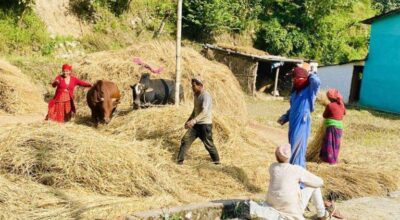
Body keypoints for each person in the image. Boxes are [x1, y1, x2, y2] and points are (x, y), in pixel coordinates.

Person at [266, 144, 344, 220]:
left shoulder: (273, 167)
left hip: (273, 205)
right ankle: (322, 214)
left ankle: (322, 213)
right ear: (289, 156)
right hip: (291, 210)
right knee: (315, 186)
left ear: (276, 156)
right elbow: (319, 182)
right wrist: (306, 181)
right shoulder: (296, 170)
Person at [277, 66, 320, 169]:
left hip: (302, 122)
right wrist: (285, 117)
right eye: (293, 78)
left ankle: (299, 180)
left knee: (298, 150)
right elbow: (292, 108)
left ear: (303, 78)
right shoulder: (295, 92)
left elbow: (316, 81)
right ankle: (292, 173)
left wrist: (309, 73)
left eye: (295, 78)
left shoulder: (309, 90)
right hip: (293, 123)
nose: (293, 80)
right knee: (293, 148)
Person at [177, 76, 220, 165]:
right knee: (185, 140)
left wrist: (194, 121)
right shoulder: (196, 95)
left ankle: (217, 162)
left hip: (205, 125)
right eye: (192, 85)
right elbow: (195, 110)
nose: (192, 87)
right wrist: (189, 120)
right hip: (196, 124)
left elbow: (204, 111)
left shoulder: (206, 96)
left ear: (200, 85)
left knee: (209, 145)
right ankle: (179, 162)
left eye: (193, 85)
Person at [320, 89, 346, 165]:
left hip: (331, 126)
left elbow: (324, 115)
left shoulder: (329, 105)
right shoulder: (341, 104)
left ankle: (330, 160)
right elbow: (344, 112)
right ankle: (334, 159)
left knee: (329, 143)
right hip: (339, 127)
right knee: (336, 143)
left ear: (329, 98)